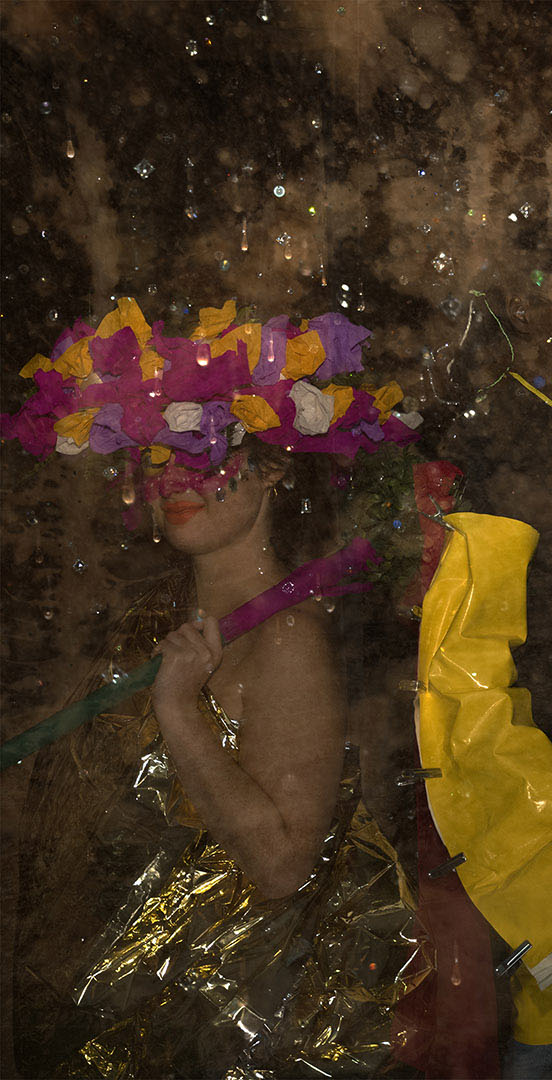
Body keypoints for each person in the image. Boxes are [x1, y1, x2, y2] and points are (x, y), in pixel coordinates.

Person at [3, 300, 423, 1077]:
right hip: (110, 1015)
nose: (173, 478)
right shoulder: (155, 612)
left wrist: (178, 710)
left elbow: (282, 866)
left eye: (204, 448)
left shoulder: (286, 639)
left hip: (220, 1035)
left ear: (273, 471)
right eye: (156, 454)